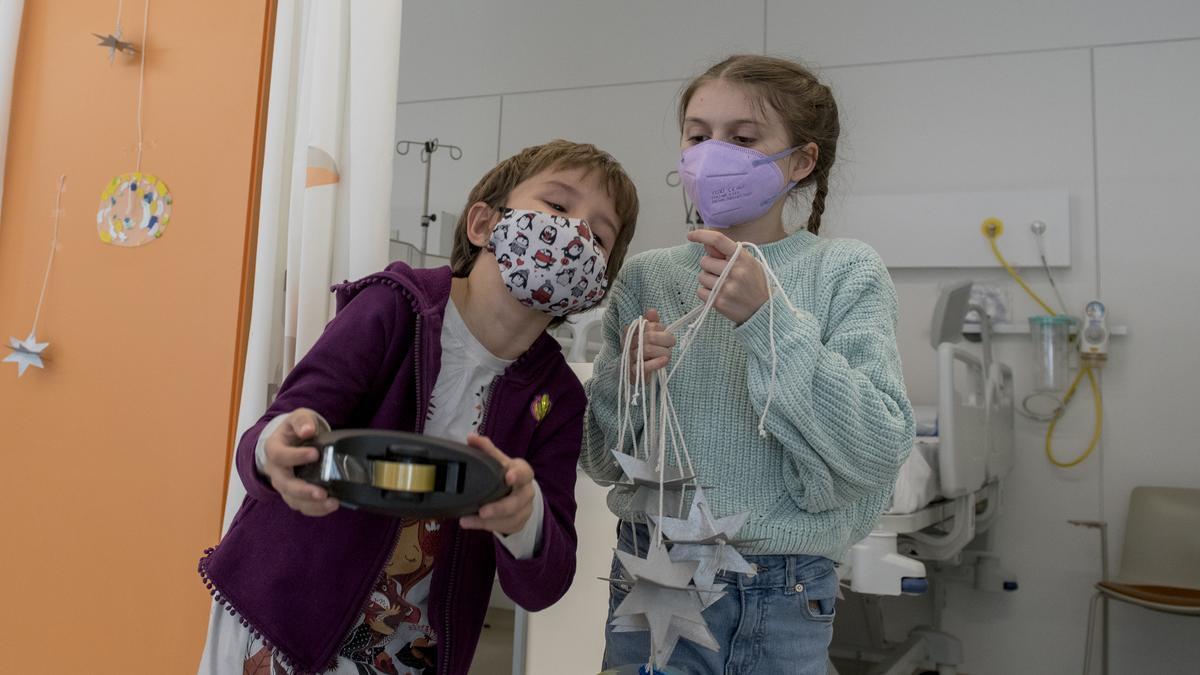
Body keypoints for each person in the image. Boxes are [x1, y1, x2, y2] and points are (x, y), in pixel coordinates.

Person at [199, 139, 639, 674]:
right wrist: (279, 449)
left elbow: (545, 582)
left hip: (404, 653)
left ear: (598, 282)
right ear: (482, 224)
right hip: (283, 620)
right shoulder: (393, 306)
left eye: (599, 234)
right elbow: (270, 434)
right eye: (559, 206)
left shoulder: (560, 398)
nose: (576, 235)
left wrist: (525, 520)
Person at [581, 55, 915, 674]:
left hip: (785, 592)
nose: (712, 154)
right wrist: (624, 379)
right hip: (655, 576)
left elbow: (876, 447)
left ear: (801, 162)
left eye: (743, 139)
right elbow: (602, 460)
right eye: (697, 135)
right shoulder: (648, 276)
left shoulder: (842, 272)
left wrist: (768, 320)